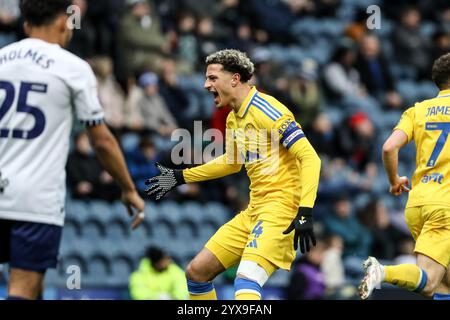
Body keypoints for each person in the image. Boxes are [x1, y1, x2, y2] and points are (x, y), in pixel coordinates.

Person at [145, 49, 321, 300]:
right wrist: (181, 176)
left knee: (246, 280)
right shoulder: (233, 118)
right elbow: (231, 163)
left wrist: (305, 210)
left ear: (235, 79)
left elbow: (310, 157)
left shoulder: (269, 110)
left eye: (212, 78)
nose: (206, 85)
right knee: (197, 273)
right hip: (254, 210)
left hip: (282, 211)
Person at [0, 0, 145, 300]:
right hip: (34, 200)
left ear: (26, 24)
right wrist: (127, 188)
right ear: (64, 23)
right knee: (24, 287)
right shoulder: (74, 68)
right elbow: (102, 140)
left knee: (34, 289)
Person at [359, 53, 450, 300]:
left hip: (418, 203)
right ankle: (382, 272)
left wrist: (394, 180)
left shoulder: (417, 110)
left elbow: (389, 147)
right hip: (445, 207)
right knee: (430, 280)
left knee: (444, 285)